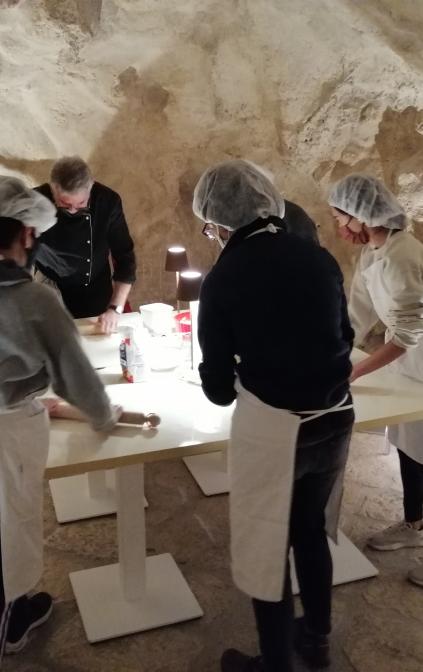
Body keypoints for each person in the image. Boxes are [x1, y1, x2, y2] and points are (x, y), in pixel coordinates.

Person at [193, 159, 355, 672]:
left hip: (278, 428)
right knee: (309, 529)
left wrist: (233, 374)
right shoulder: (318, 257)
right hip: (334, 415)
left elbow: (218, 389)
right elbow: (343, 338)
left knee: (266, 545)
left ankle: (276, 664)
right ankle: (318, 641)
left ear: (219, 223)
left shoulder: (224, 277)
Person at [0, 176, 122, 658]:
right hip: (10, 427)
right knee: (14, 518)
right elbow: (75, 376)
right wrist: (104, 416)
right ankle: (11, 621)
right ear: (27, 234)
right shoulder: (33, 299)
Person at [329, 173, 423, 589]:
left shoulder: (404, 257)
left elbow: (408, 332)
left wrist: (355, 370)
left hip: (417, 357)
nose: (338, 228)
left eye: (340, 218)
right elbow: (358, 312)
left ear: (361, 216)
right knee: (410, 446)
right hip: (408, 365)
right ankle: (414, 522)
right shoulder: (374, 251)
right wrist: (329, 346)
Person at [34, 156, 136, 333]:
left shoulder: (108, 202)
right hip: (50, 291)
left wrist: (115, 308)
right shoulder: (34, 201)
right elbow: (20, 255)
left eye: (81, 204)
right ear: (52, 189)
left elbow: (125, 259)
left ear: (92, 187)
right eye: (65, 205)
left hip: (96, 292)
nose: (73, 210)